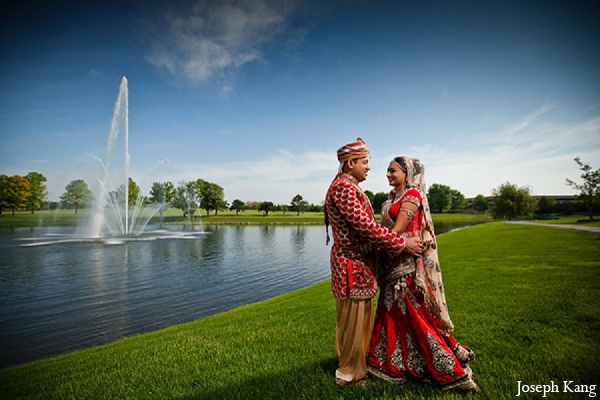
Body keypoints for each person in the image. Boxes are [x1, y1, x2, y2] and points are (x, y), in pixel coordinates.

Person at [366, 156, 479, 392]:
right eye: (387, 170)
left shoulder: (412, 196)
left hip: (405, 267)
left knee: (416, 317)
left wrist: (372, 236)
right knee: (395, 315)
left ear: (407, 173)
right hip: (392, 264)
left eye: (393, 171)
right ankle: (390, 362)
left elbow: (396, 231)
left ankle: (450, 371)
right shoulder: (392, 198)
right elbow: (392, 234)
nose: (388, 174)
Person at [324, 139, 423, 386]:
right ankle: (349, 373)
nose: (369, 167)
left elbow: (367, 229)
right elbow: (366, 228)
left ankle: (352, 364)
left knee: (354, 322)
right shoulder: (344, 189)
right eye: (365, 162)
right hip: (352, 265)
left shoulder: (347, 187)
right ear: (350, 164)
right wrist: (402, 243)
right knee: (354, 322)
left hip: (356, 265)